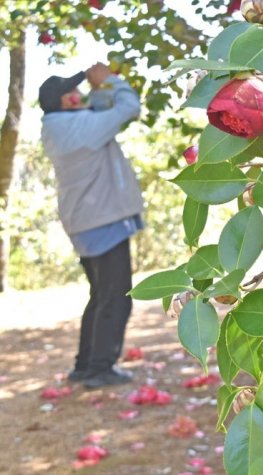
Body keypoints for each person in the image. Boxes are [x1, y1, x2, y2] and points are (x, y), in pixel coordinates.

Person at [39, 63, 145, 389]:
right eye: (73, 91)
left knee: (100, 295)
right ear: (65, 102)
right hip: (102, 221)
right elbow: (128, 108)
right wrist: (111, 81)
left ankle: (85, 366)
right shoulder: (79, 128)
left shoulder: (61, 125)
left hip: (87, 221)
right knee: (116, 297)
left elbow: (99, 109)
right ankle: (101, 368)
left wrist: (99, 88)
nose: (80, 93)